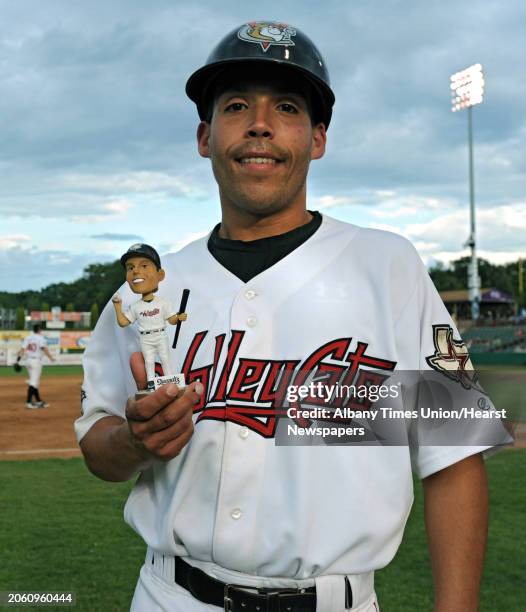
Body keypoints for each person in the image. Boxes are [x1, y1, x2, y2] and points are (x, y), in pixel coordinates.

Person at [76, 21, 509, 611]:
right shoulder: (145, 291)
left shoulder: (389, 266)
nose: (260, 123)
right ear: (204, 137)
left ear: (318, 138)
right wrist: (134, 440)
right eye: (236, 106)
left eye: (285, 106)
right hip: (170, 596)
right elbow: (98, 446)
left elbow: (453, 455)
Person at [112, 243, 188, 391]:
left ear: (160, 275)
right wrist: (117, 305)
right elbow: (122, 322)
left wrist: (179, 317)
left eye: (144, 266)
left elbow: (171, 320)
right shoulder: (135, 306)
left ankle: (171, 383)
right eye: (130, 267)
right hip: (145, 337)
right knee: (149, 362)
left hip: (160, 334)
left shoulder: (163, 303)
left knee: (166, 360)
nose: (136, 271)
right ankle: (152, 385)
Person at [17, 323, 55, 409]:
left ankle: (39, 401)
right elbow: (43, 348)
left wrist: (18, 360)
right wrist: (51, 358)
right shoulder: (40, 338)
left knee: (34, 382)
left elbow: (22, 349)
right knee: (33, 383)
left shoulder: (28, 337)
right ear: (39, 330)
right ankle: (28, 402)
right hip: (36, 362)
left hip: (28, 361)